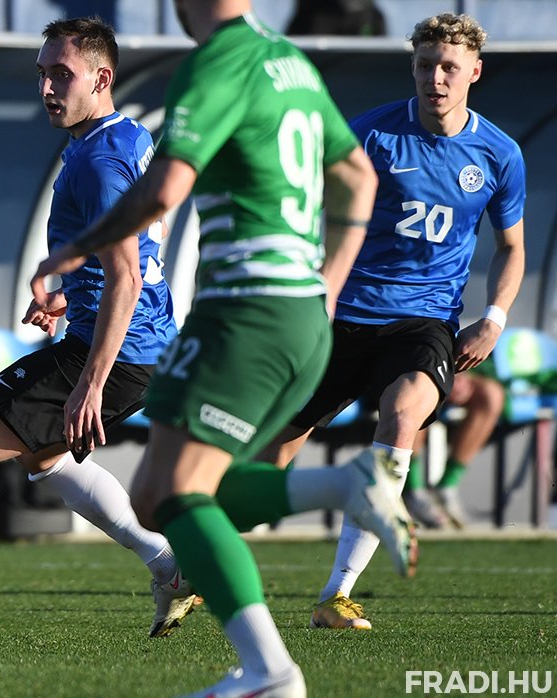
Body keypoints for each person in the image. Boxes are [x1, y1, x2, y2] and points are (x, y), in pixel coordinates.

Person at [31, 2, 414, 695]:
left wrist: (76, 250)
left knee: (174, 495)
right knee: (166, 494)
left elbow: (166, 189)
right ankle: (270, 663)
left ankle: (280, 644)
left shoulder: (215, 62)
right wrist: (326, 288)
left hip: (245, 310)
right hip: (295, 313)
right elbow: (358, 176)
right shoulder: (290, 61)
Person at [0, 16, 194, 643]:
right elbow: (128, 250)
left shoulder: (99, 160)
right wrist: (67, 297)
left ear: (101, 78)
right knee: (43, 458)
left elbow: (128, 276)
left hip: (114, 349)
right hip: (138, 344)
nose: (48, 88)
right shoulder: (125, 137)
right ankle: (170, 567)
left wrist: (90, 384)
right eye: (43, 74)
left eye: (63, 75)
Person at [258, 12, 524, 631]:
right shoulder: (372, 134)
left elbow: (511, 247)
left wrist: (494, 318)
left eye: (449, 67)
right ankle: (193, 568)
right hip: (344, 316)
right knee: (273, 454)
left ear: (474, 73)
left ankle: (337, 594)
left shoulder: (500, 154)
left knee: (403, 417)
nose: (436, 78)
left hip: (423, 323)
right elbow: (312, 210)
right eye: (425, 65)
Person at [404, 369, 505, 529]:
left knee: (491, 395)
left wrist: (463, 374)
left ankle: (446, 486)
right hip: (410, 369)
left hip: (446, 369)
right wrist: (441, 374)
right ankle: (411, 489)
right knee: (418, 388)